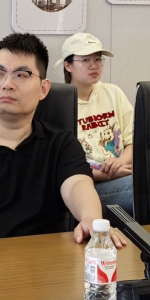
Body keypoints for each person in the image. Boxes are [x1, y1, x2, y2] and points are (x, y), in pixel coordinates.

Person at [0, 32, 126, 247]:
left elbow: (78, 184)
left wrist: (91, 220)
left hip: (48, 262)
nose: (7, 84)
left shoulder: (61, 143)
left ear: (43, 89)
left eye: (21, 75)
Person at [59, 33, 134, 214]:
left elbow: (132, 141)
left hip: (123, 174)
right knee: (142, 189)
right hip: (87, 186)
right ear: (68, 65)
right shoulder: (60, 103)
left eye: (98, 59)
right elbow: (63, 169)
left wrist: (119, 163)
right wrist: (108, 174)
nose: (94, 65)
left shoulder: (113, 93)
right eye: (85, 60)